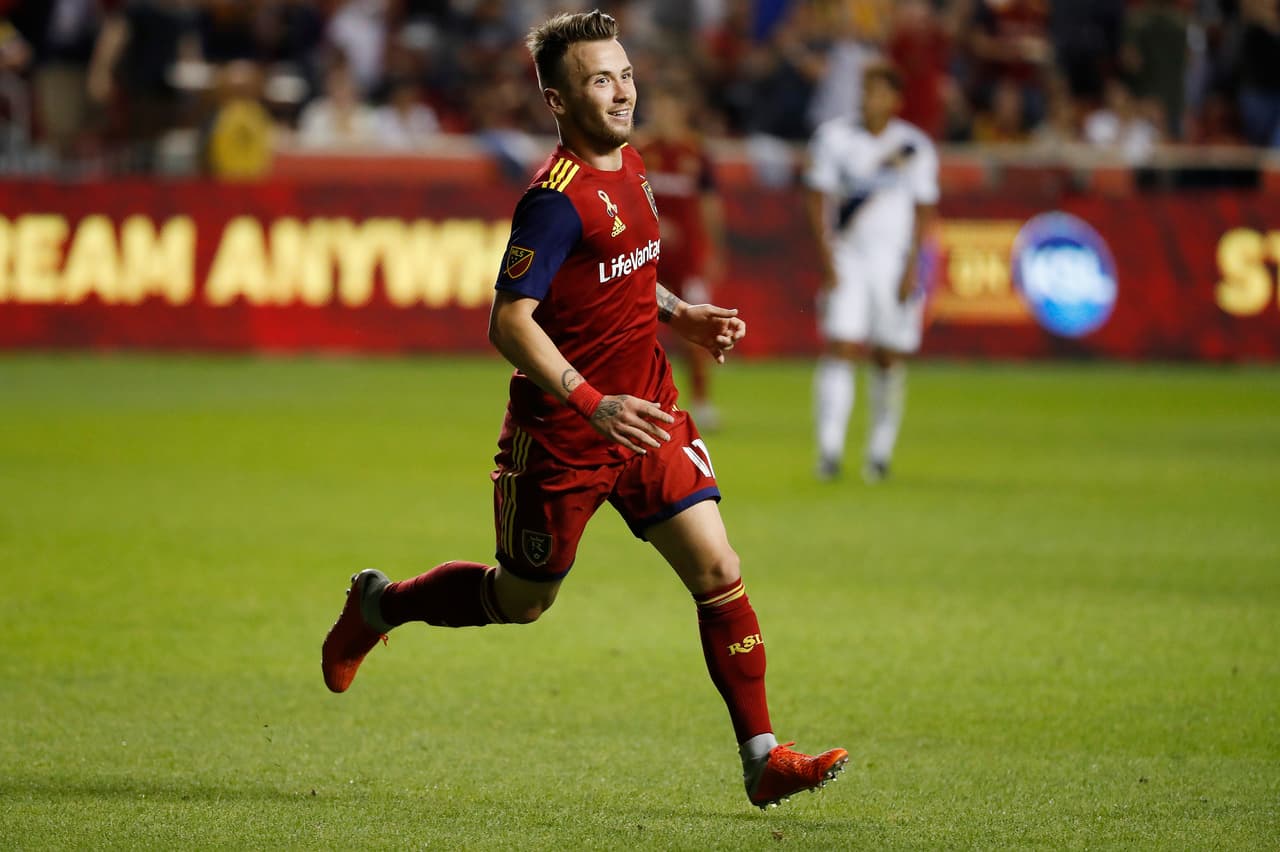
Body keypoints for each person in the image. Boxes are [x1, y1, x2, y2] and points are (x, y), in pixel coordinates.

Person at [322, 9, 847, 810]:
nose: (622, 91)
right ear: (558, 101)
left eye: (626, 73)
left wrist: (681, 316)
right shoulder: (553, 202)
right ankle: (380, 604)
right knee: (522, 599)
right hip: (566, 433)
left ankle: (762, 756)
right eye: (600, 80)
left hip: (649, 412)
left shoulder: (633, 166)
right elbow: (508, 321)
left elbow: (628, 275)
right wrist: (591, 401)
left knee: (718, 569)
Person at [805, 61, 938, 482]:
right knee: (841, 345)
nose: (870, 100)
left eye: (880, 92)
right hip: (847, 256)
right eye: (866, 91)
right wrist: (827, 260)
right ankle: (829, 450)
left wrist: (914, 267)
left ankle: (879, 453)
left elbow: (924, 210)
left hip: (894, 260)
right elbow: (816, 199)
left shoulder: (914, 146)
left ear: (896, 100)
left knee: (887, 355)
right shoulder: (833, 139)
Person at [635, 80, 727, 429]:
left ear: (682, 111)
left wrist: (714, 249)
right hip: (645, 255)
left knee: (696, 328)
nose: (663, 114)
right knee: (638, 330)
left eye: (670, 106)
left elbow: (709, 205)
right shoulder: (639, 149)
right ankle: (641, 399)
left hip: (687, 257)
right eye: (658, 106)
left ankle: (702, 402)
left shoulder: (696, 153)